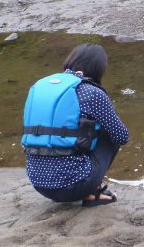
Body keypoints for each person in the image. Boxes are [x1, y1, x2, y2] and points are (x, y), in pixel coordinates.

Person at [22, 43, 128, 206]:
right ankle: (92, 193)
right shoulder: (92, 92)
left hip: (39, 183)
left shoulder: (39, 86)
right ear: (98, 68)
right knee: (111, 133)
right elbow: (122, 136)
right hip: (75, 185)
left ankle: (85, 186)